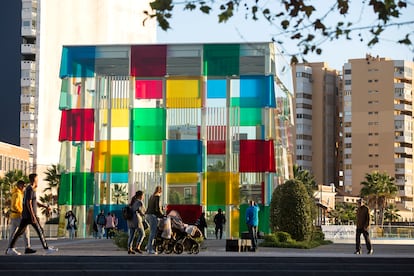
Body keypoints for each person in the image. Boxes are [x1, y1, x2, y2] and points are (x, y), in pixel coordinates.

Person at [6, 173, 58, 255]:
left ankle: (10, 249)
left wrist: (44, 206)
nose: (38, 181)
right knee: (39, 230)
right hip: (29, 216)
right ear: (34, 180)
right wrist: (33, 215)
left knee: (19, 232)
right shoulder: (29, 189)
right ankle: (46, 248)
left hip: (26, 216)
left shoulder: (30, 189)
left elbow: (34, 202)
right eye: (37, 179)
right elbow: (28, 202)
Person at [8, 180, 35, 254]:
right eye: (23, 186)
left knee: (12, 233)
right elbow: (15, 205)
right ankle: (27, 247)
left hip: (14, 216)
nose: (24, 187)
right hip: (18, 216)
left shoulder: (17, 193)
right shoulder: (17, 194)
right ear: (20, 186)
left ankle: (9, 249)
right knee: (25, 231)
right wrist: (21, 212)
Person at [146, 185, 163, 254]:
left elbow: (149, 207)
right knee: (153, 233)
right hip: (153, 216)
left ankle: (148, 246)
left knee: (152, 232)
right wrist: (162, 215)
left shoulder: (151, 197)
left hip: (148, 215)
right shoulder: (157, 197)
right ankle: (150, 249)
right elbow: (157, 208)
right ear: (160, 191)